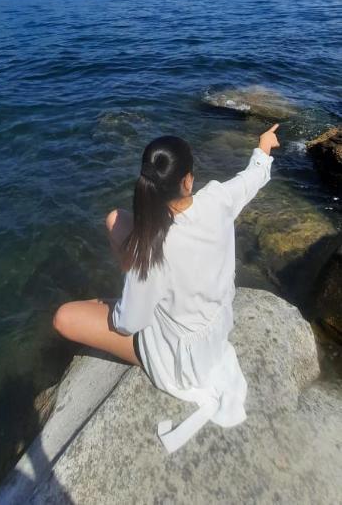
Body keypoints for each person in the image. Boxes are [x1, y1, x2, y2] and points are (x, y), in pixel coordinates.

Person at [53, 124, 280, 452]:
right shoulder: (216, 198)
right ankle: (132, 291)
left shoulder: (152, 249)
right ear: (188, 181)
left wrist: (110, 306)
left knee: (65, 317)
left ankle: (129, 289)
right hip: (214, 334)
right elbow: (249, 181)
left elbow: (129, 323)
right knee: (116, 220)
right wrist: (263, 149)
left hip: (176, 360)